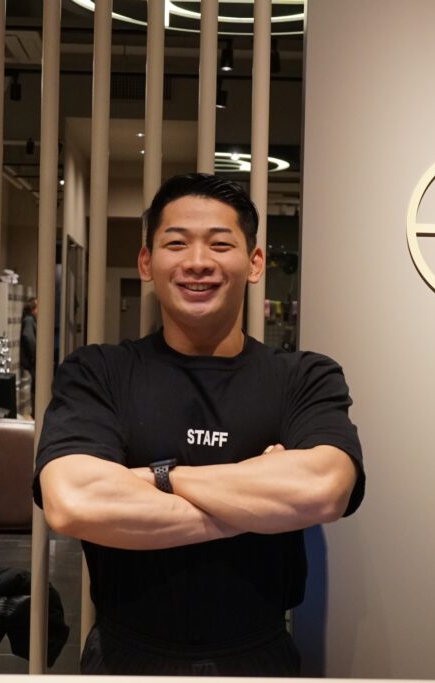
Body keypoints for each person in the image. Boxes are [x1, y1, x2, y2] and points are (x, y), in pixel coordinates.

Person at [33, 173, 365, 676]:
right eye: (176, 243)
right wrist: (258, 502)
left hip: (258, 657)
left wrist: (159, 477)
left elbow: (324, 490)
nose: (197, 262)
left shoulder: (304, 377)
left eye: (220, 244)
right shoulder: (98, 372)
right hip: (125, 656)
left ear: (254, 263)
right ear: (147, 263)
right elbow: (73, 500)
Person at [20, 297, 38, 405]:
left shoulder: (29, 319)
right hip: (33, 359)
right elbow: (28, 336)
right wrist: (36, 353)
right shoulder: (29, 320)